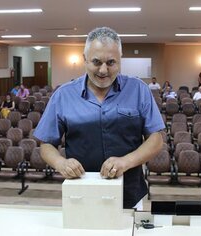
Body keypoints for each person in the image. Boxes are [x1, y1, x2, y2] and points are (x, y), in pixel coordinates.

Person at [34, 27, 165, 209]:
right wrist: (60, 162)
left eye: (111, 62)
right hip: (80, 194)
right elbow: (46, 143)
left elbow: (156, 139)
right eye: (96, 62)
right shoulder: (63, 95)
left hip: (129, 192)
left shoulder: (138, 90)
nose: (103, 70)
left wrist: (126, 161)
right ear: (84, 60)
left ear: (120, 61)